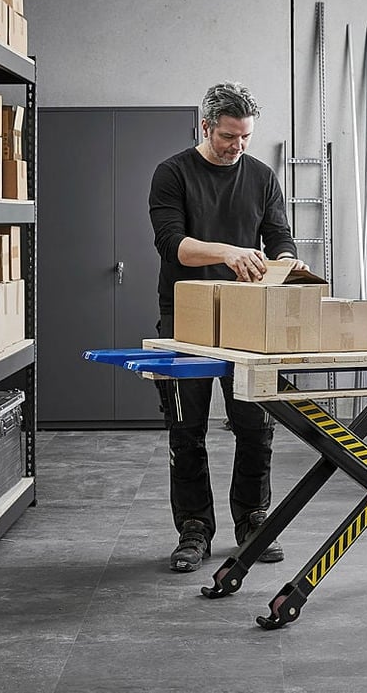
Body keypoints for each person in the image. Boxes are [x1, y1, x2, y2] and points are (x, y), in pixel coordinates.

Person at [148, 81, 308, 572]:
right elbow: (172, 244)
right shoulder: (172, 173)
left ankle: (254, 518)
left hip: (248, 321)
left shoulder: (261, 176)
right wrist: (228, 251)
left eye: (245, 137)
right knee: (186, 430)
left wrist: (285, 261)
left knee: (255, 428)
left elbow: (279, 234)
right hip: (187, 320)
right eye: (228, 137)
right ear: (206, 127)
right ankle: (194, 528)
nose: (237, 146)